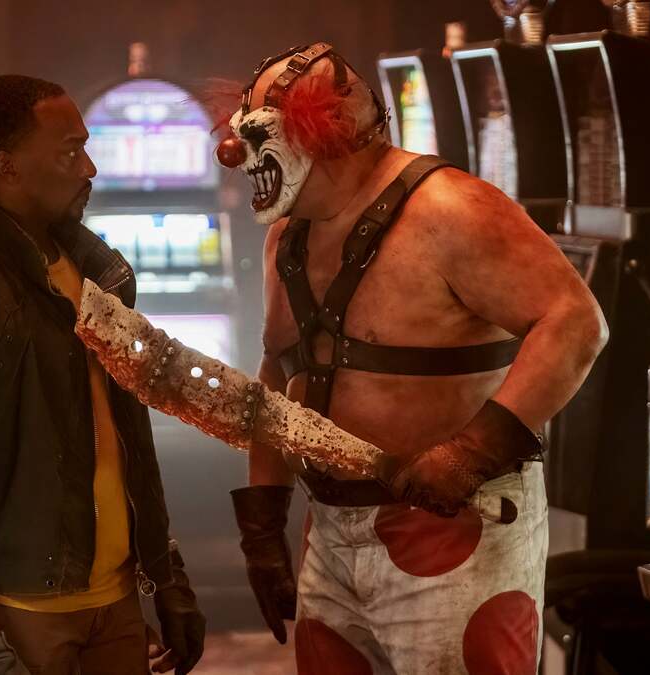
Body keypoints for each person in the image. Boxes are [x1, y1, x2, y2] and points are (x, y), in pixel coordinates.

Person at [216, 44, 607, 673]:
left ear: (328, 135)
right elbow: (279, 373)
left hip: (454, 528)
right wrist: (263, 524)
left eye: (261, 137)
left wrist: (471, 452)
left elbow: (576, 322)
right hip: (332, 528)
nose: (238, 157)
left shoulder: (451, 210)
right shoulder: (286, 238)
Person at [0, 74, 205, 675]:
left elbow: (127, 439)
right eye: (70, 152)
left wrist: (164, 573)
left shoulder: (96, 273)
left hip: (115, 603)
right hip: (11, 614)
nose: (89, 169)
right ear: (8, 167)